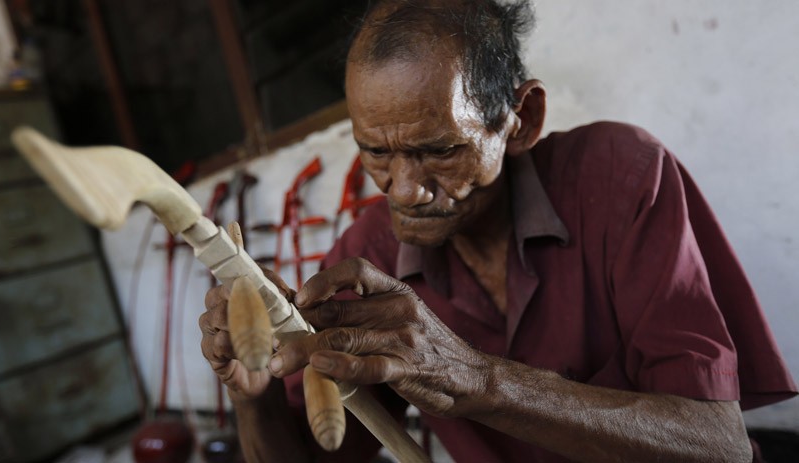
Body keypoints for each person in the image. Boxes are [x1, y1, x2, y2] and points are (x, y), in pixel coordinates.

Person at [200, 1, 797, 461]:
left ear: (521, 119)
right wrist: (253, 395)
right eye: (376, 152)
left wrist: (474, 378)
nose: (403, 190)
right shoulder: (366, 255)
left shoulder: (621, 177)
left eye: (440, 150)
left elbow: (721, 447)